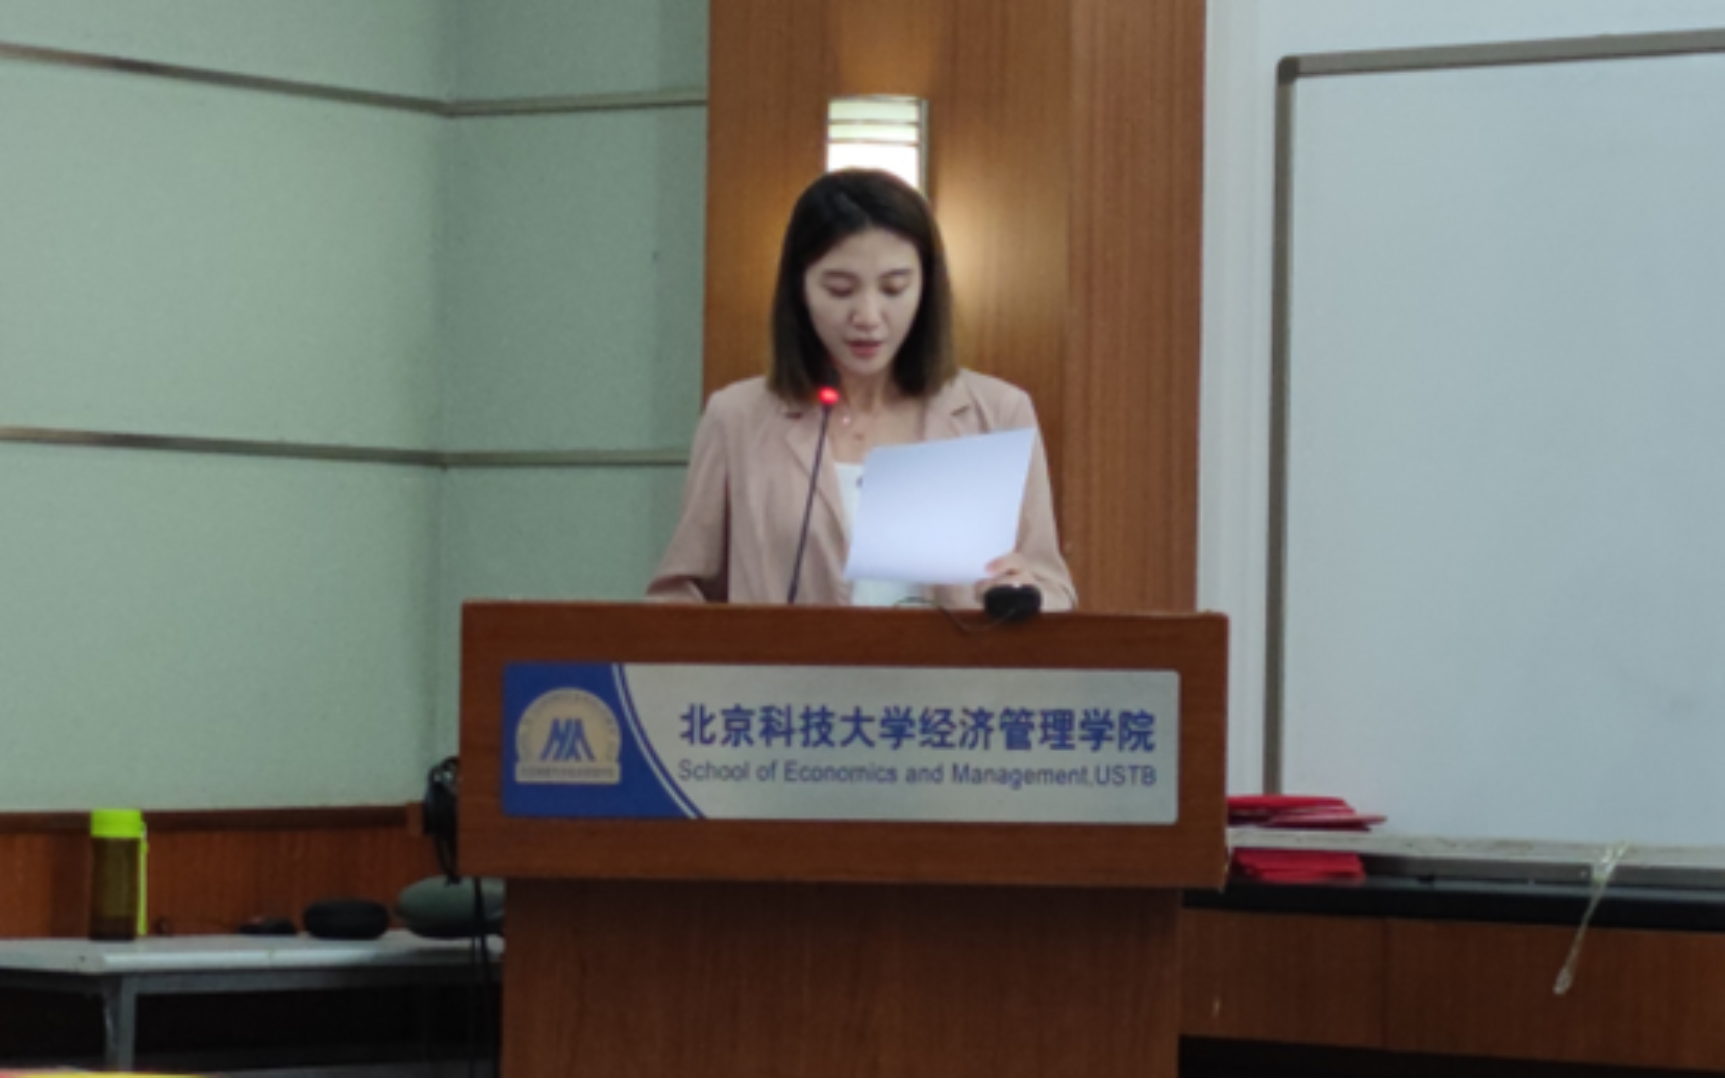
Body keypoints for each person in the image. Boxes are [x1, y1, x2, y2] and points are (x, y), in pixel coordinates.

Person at [647, 168, 1076, 610]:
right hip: (787, 660)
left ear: (926, 287)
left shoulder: (998, 413)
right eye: (840, 290)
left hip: (947, 659)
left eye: (893, 288)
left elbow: (1053, 590)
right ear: (800, 288)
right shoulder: (737, 417)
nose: (868, 316)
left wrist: (1021, 597)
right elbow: (679, 595)